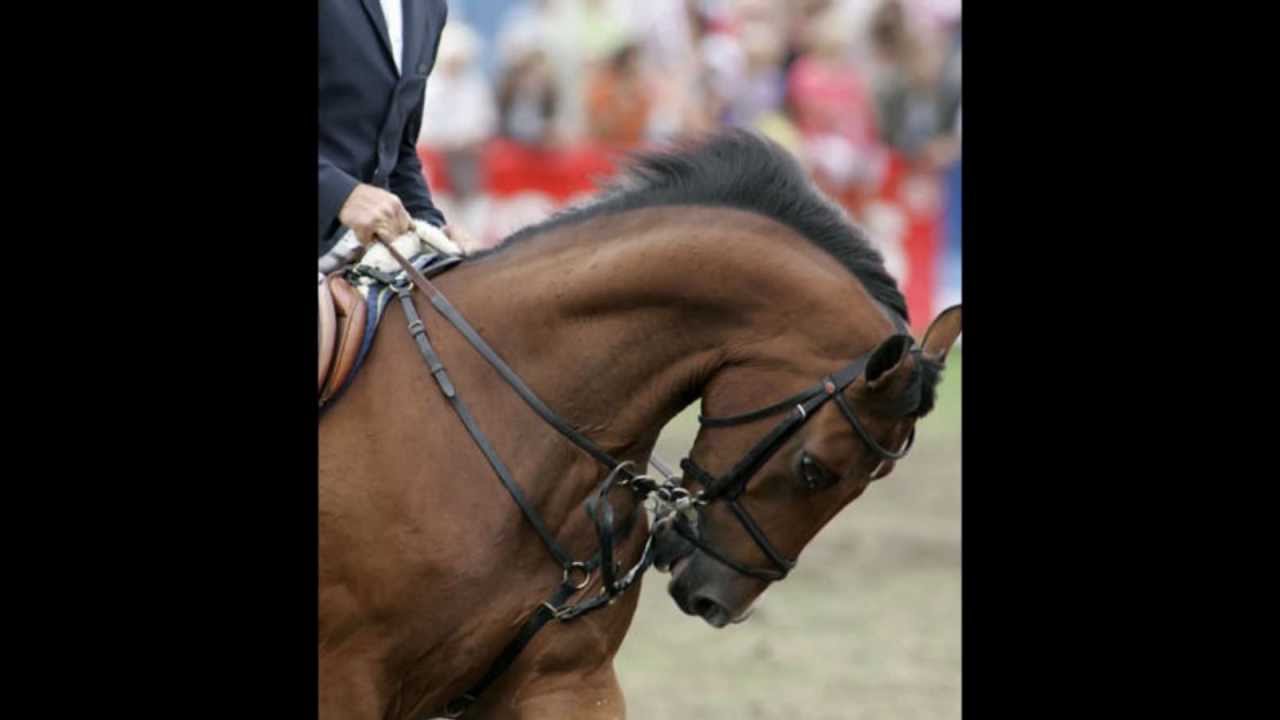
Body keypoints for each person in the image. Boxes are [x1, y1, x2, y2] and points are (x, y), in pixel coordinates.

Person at [318, 0, 465, 265]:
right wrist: (340, 194)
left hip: (362, 247)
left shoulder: (431, 8)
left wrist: (433, 231)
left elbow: (399, 155)